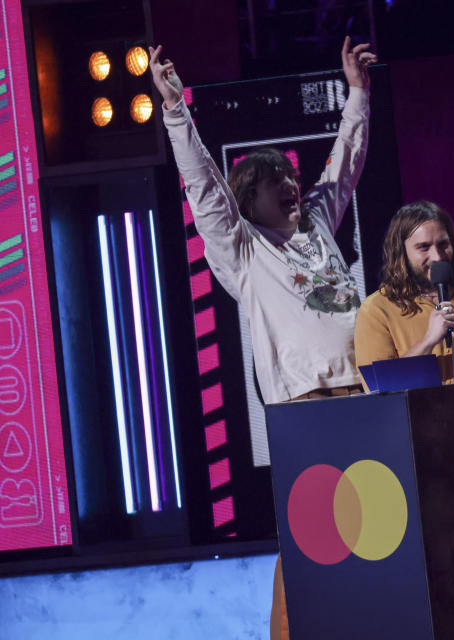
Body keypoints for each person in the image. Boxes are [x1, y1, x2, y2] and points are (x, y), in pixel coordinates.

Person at [149, 39, 377, 640]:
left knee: (378, 528)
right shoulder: (244, 250)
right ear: (248, 199)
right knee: (312, 538)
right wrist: (176, 110)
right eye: (275, 179)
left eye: (291, 175)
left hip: (370, 395)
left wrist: (357, 92)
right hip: (305, 408)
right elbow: (203, 188)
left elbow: (344, 160)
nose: (291, 184)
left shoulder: (319, 225)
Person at [353, 200, 454, 640]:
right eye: (423, 247)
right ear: (401, 251)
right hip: (421, 451)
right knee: (444, 571)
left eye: (443, 243)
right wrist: (427, 340)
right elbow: (376, 387)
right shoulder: (378, 309)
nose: (437, 256)